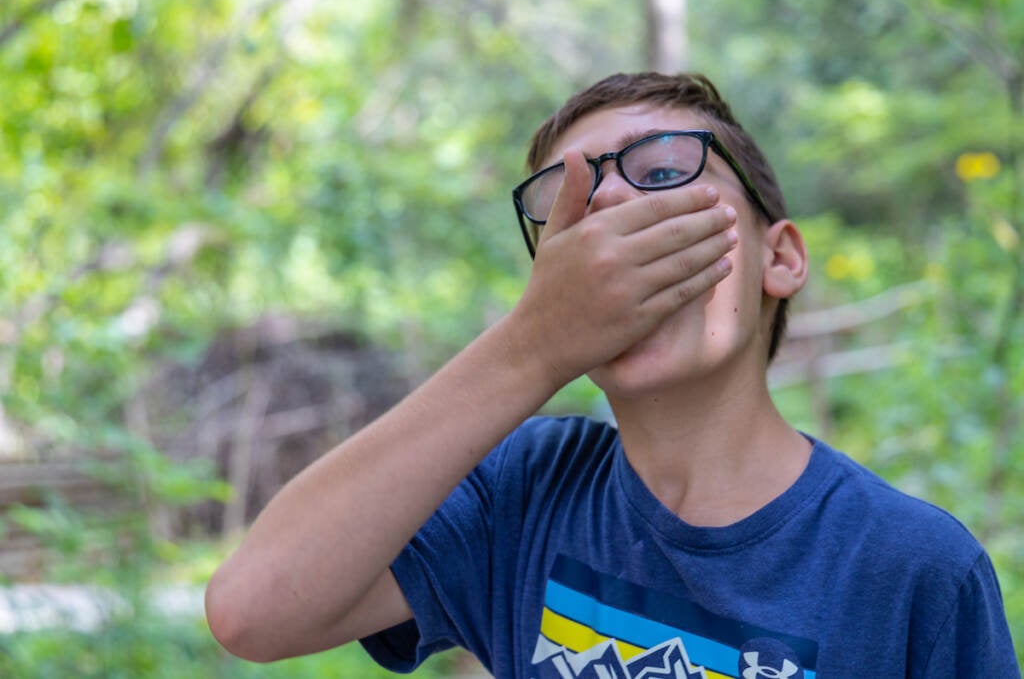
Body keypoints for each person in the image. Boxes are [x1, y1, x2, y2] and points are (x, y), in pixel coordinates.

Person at [205, 72, 1020, 678]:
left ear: (779, 257)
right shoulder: (523, 492)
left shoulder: (915, 568)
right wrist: (531, 347)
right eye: (574, 205)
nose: (617, 215)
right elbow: (252, 611)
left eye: (664, 173)